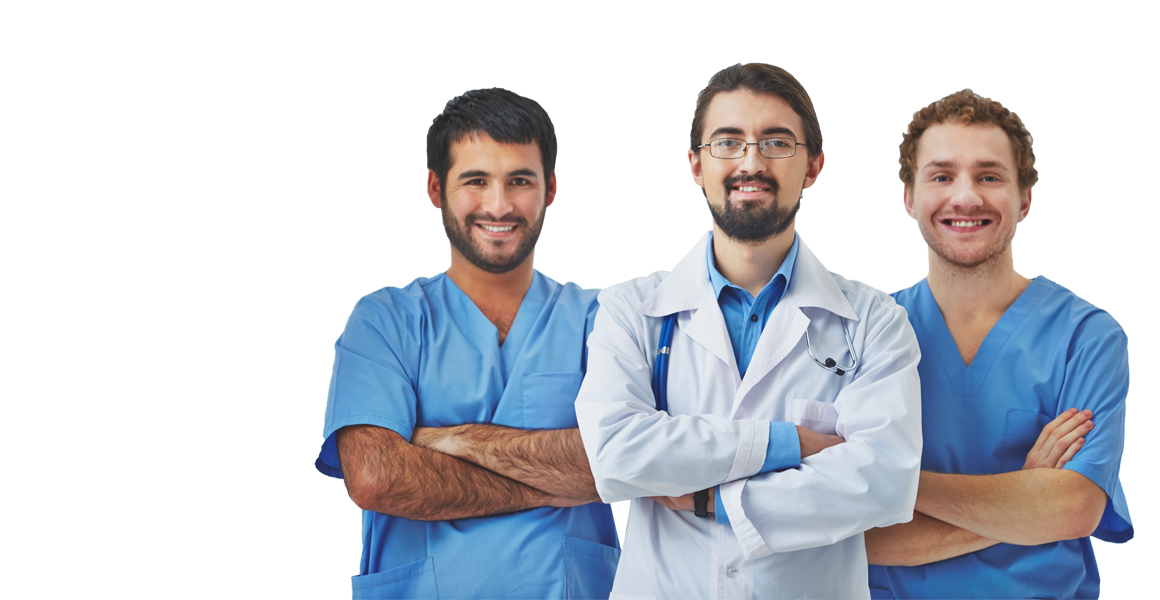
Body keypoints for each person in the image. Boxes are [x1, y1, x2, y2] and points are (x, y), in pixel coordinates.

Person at [574, 63, 923, 599]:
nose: (751, 162)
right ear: (697, 164)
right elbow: (617, 455)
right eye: (728, 142)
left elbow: (884, 481)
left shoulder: (875, 321)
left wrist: (709, 499)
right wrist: (791, 443)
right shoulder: (631, 311)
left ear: (813, 165)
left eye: (777, 143)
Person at [315, 88, 619, 599]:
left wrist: (451, 439)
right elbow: (374, 476)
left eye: (520, 180)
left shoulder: (602, 321)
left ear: (549, 188)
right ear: (436, 188)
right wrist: (557, 479)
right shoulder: (385, 322)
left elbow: (632, 458)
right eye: (475, 181)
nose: (498, 205)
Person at [865, 90, 1133, 599]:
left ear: (1024, 199)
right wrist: (1026, 493)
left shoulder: (1087, 338)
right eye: (941, 176)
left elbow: (1075, 507)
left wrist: (884, 478)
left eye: (989, 176)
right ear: (909, 198)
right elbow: (855, 536)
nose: (966, 197)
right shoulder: (865, 333)